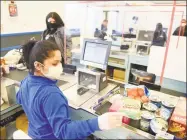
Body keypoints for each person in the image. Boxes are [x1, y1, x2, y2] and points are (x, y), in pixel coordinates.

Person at [16, 40, 124, 139]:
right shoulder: (51, 94)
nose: (60, 67)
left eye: (60, 62)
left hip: (34, 134)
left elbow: (20, 99)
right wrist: (98, 123)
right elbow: (63, 132)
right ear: (38, 66)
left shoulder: (25, 82)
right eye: (54, 63)